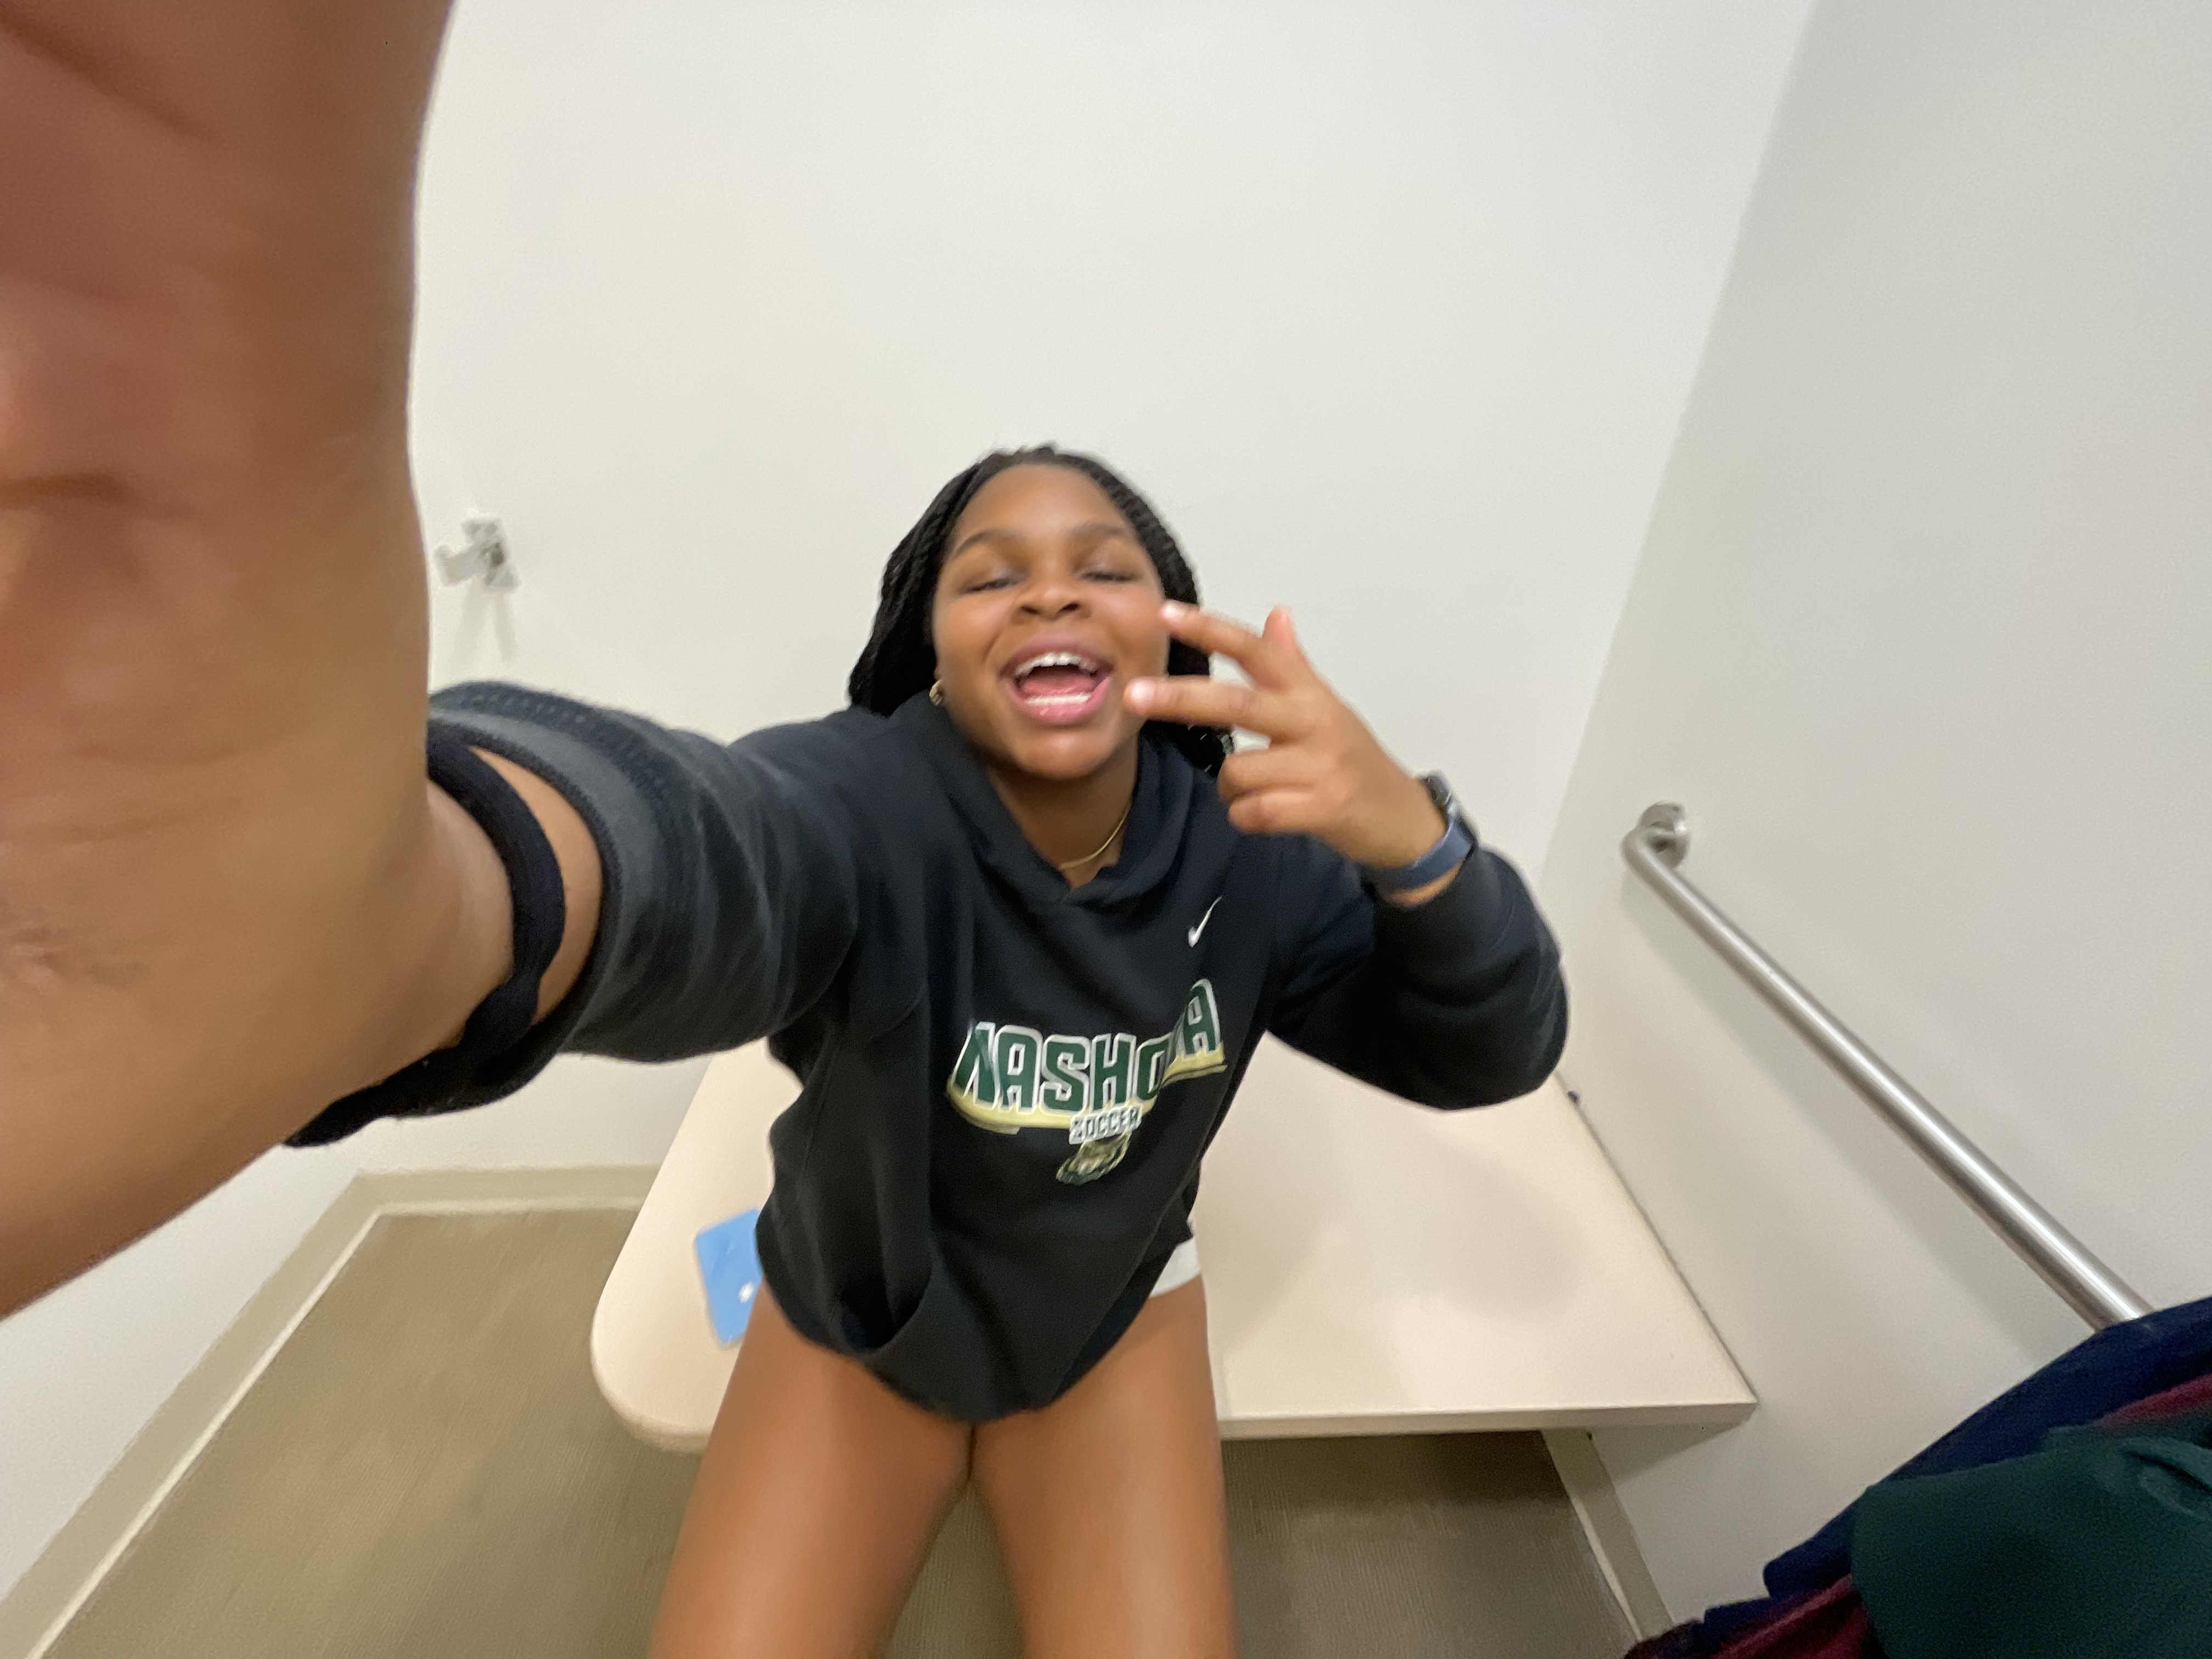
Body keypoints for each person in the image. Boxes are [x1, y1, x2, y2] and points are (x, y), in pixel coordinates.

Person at [1, 5, 1564, 1655]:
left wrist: (1420, 848)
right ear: (933, 654)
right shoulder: (869, 804)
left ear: (1167, 629)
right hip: (855, 1309)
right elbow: (724, 848)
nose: (1050, 588)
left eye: (1103, 567)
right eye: (990, 573)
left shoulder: (1257, 848)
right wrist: (440, 902)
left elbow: (1494, 1052)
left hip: (1113, 1309)